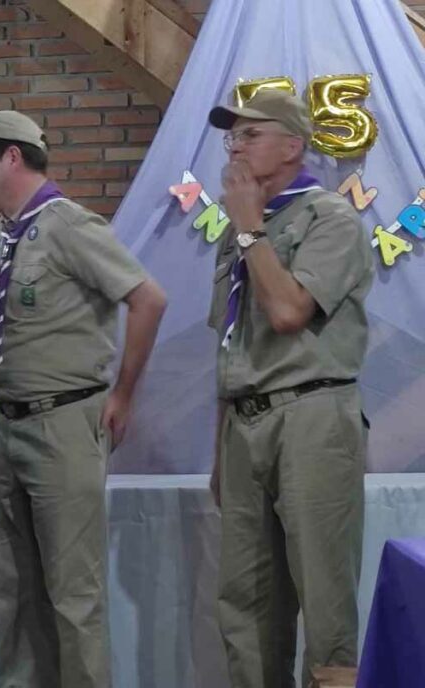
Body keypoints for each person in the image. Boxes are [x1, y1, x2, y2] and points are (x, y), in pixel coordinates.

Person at [0, 110, 167, 688]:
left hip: (63, 424)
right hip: (10, 426)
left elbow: (148, 299)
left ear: (12, 157)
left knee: (74, 594)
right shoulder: (5, 233)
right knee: (14, 590)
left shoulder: (69, 224)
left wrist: (123, 394)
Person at [207, 90, 373, 688]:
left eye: (250, 134)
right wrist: (219, 448)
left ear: (292, 146)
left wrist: (251, 229)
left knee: (324, 595)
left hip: (311, 415)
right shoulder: (241, 234)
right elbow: (229, 342)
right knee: (245, 601)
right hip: (243, 422)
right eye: (233, 137)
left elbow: (287, 312)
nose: (235, 147)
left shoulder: (331, 218)